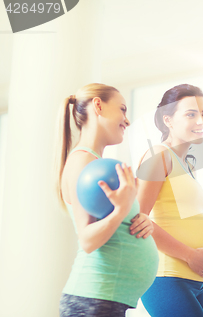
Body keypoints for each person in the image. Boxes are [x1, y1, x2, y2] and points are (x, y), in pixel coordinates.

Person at [137, 84, 203, 317]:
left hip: (195, 279)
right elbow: (137, 221)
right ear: (168, 120)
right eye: (191, 114)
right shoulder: (158, 156)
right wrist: (189, 255)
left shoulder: (187, 164)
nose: (201, 120)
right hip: (167, 276)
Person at [56, 83, 159, 317]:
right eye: (122, 109)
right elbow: (88, 240)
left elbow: (115, 222)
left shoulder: (95, 162)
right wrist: (122, 211)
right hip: (94, 300)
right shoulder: (83, 162)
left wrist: (141, 219)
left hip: (105, 300)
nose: (127, 119)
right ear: (98, 106)